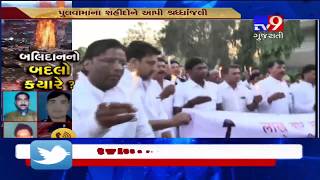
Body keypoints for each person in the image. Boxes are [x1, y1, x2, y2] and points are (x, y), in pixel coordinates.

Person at [72, 39, 154, 138]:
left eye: (122, 63)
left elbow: (145, 134)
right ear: (87, 64)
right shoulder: (69, 96)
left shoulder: (130, 95)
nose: (118, 68)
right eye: (109, 61)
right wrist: (97, 124)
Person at [127, 41, 191, 138]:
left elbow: (160, 113)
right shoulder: (123, 88)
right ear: (133, 63)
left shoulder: (153, 84)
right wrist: (172, 122)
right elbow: (135, 124)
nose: (155, 69)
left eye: (155, 64)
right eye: (150, 63)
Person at [152, 57, 177, 137]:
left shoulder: (170, 84)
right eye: (158, 67)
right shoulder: (148, 85)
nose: (161, 69)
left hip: (171, 127)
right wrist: (162, 96)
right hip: (154, 128)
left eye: (163, 67)